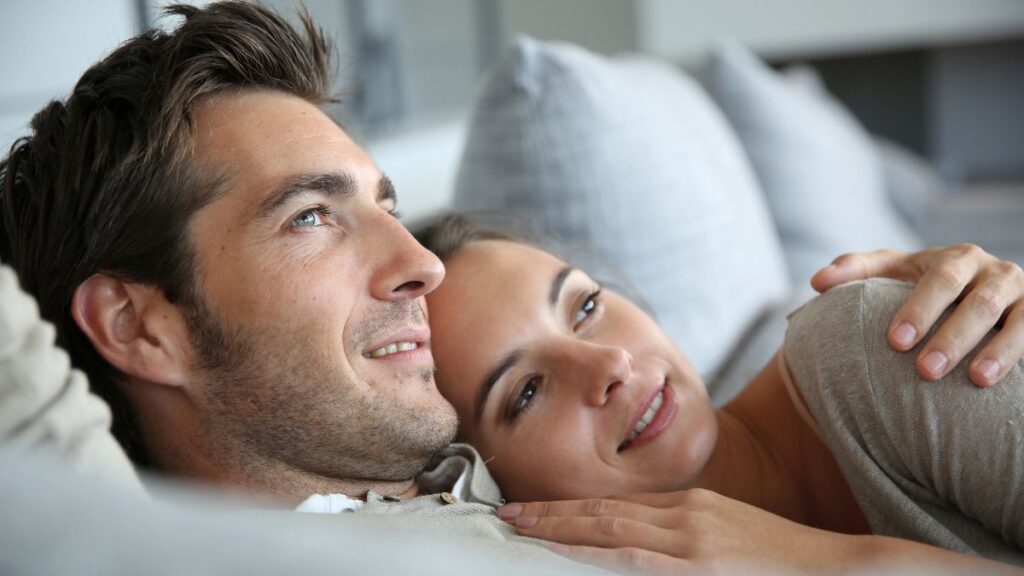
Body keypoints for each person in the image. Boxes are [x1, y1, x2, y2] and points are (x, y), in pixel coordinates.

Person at [0, 2, 1021, 574]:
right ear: (138, 325)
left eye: (385, 204)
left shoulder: (532, 507)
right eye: (312, 215)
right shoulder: (125, 543)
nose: (419, 265)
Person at [417, 213, 1024, 574]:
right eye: (525, 392)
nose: (610, 363)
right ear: (493, 487)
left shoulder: (874, 350)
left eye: (587, 306)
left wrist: (828, 564)